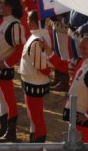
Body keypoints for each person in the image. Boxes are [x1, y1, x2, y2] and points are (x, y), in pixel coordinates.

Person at [47, 36, 88, 144]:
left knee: (81, 143)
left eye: (84, 48)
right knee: (75, 142)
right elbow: (63, 66)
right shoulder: (85, 61)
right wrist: (49, 53)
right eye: (80, 48)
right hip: (77, 112)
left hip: (82, 114)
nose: (81, 51)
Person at [0, 0, 26, 143]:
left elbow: (20, 48)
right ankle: (3, 128)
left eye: (3, 3)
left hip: (3, 67)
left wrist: (8, 63)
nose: (0, 5)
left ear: (10, 7)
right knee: (1, 99)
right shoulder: (4, 21)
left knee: (9, 100)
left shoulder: (15, 25)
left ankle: (11, 132)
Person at [20, 11, 53, 143]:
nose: (26, 22)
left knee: (36, 117)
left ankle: (38, 145)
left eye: (28, 19)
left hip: (34, 82)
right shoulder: (38, 36)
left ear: (33, 21)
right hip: (32, 80)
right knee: (33, 116)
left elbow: (41, 67)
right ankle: (34, 142)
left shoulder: (37, 40)